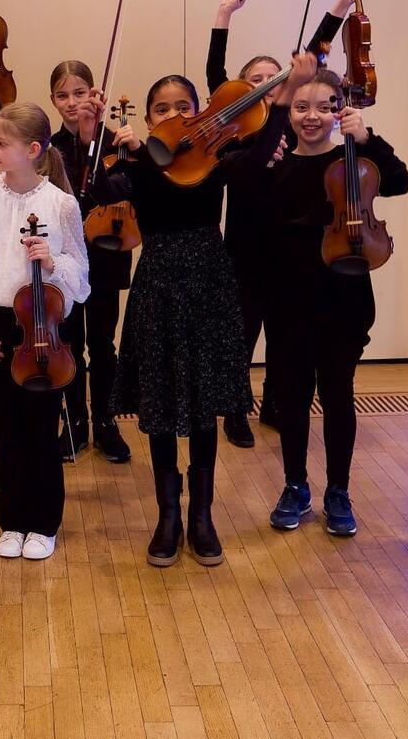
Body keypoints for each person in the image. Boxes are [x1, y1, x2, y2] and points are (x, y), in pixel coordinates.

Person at [91, 51, 317, 566]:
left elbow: (260, 161)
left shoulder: (220, 160)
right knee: (163, 407)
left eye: (183, 105)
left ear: (200, 114)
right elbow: (100, 192)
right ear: (149, 119)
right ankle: (168, 517)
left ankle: (202, 516)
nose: (172, 115)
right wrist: (98, 135)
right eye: (161, 108)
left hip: (209, 279)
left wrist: (280, 101)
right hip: (159, 283)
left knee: (201, 408)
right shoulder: (139, 161)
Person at [206, 0, 360, 447]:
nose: (267, 85)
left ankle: (275, 401)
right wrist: (223, 17)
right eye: (256, 80)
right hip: (246, 246)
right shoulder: (240, 129)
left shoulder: (298, 127)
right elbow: (216, 74)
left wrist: (337, 8)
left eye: (276, 79)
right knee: (242, 331)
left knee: (285, 333)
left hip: (291, 249)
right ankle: (234, 409)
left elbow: (313, 54)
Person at [257, 69, 408, 537]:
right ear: (288, 112)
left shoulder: (355, 162)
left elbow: (400, 181)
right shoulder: (277, 166)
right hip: (288, 295)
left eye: (325, 106)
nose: (312, 116)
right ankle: (295, 485)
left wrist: (367, 138)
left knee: (338, 393)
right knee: (292, 395)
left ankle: (338, 490)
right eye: (301, 107)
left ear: (339, 110)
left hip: (343, 292)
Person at [0, 102, 89, 561]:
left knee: (41, 429)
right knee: (9, 429)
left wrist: (52, 261)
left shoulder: (61, 204)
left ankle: (44, 522)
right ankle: (12, 520)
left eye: (0, 143)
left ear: (32, 150)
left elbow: (82, 282)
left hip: (42, 326)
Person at [47, 60, 132, 463]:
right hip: (63, 261)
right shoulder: (46, 146)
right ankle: (75, 422)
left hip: (106, 253)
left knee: (103, 344)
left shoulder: (116, 141)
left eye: (80, 93)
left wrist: (91, 136)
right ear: (52, 101)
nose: (71, 102)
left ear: (94, 94)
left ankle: (106, 422)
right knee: (69, 343)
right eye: (62, 95)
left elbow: (118, 193)